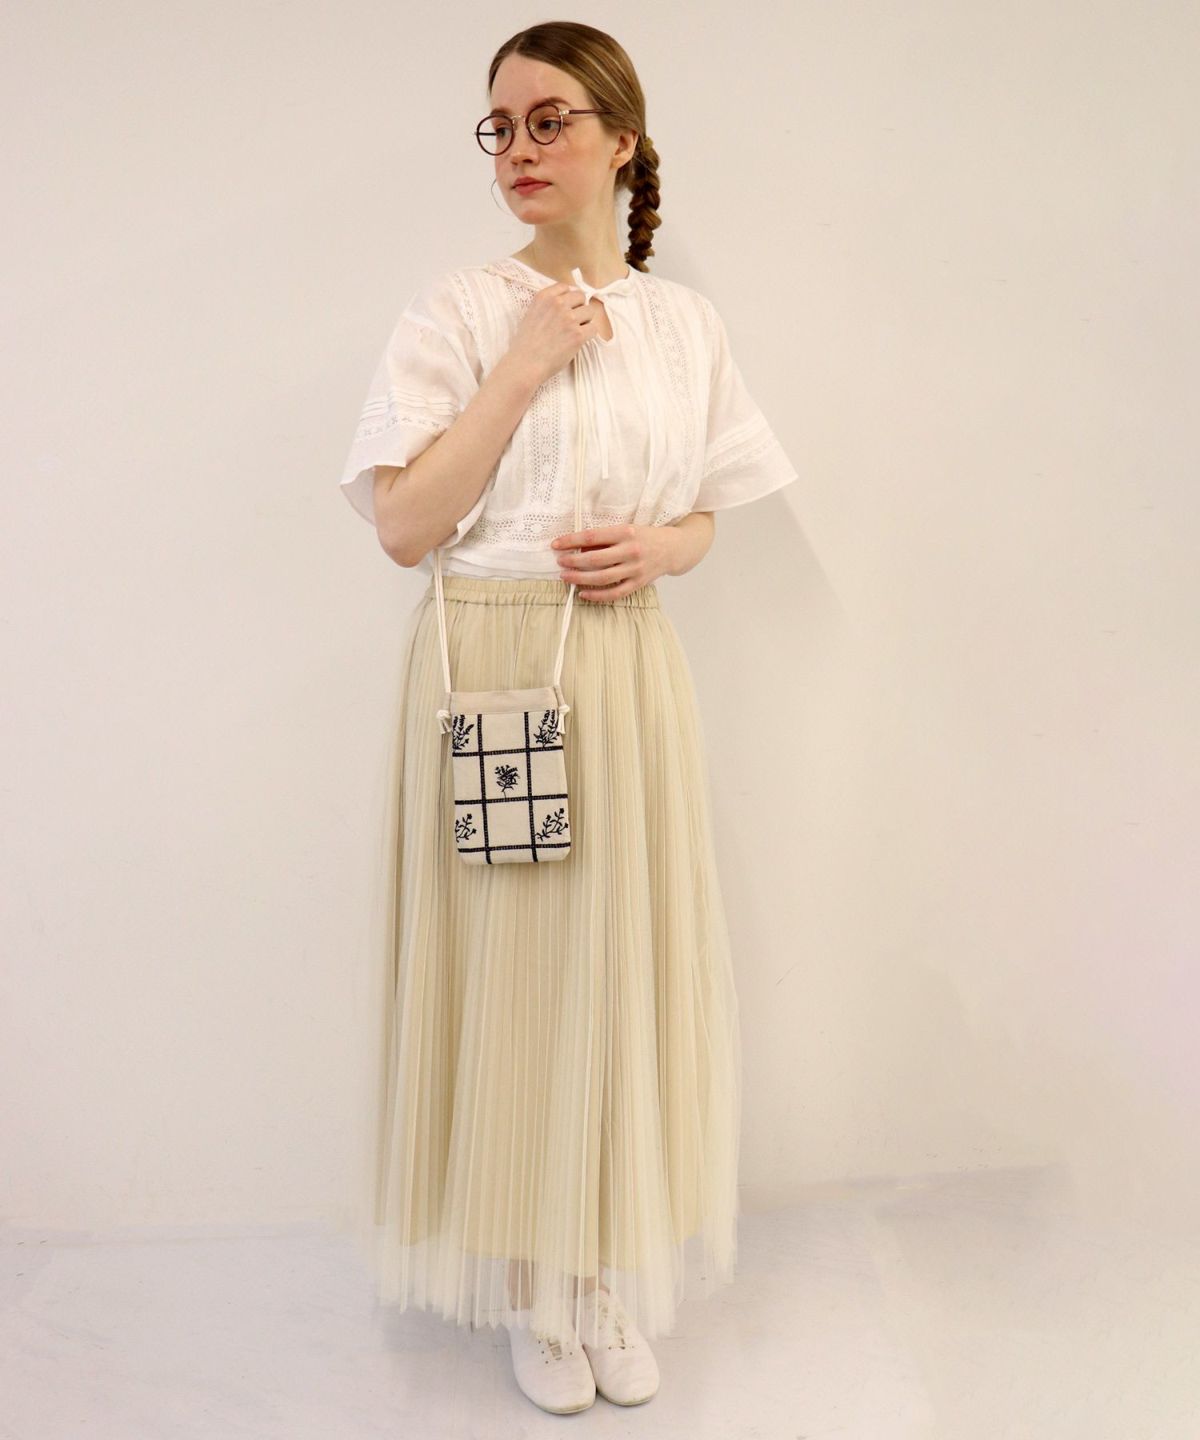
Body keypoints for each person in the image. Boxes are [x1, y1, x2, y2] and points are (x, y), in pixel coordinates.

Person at [337, 21, 799, 1416]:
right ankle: (534, 1283)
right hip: (491, 666)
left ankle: (597, 1270)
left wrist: (663, 550)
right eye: (503, 127)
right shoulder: (462, 310)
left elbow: (706, 512)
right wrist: (527, 362)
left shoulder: (685, 325)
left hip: (627, 665)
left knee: (619, 966)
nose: (521, 150)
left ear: (621, 139)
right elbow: (405, 527)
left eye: (551, 120)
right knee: (520, 970)